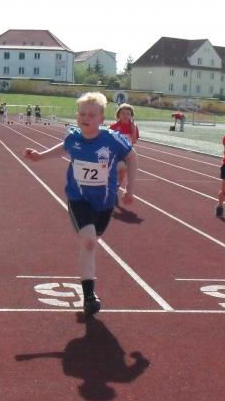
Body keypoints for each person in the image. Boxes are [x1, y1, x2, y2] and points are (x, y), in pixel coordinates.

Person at [23, 92, 137, 315]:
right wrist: (40, 156)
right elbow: (64, 148)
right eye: (82, 114)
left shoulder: (112, 140)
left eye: (91, 115)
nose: (86, 118)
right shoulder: (73, 138)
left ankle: (88, 289)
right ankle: (89, 296)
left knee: (94, 239)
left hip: (105, 202)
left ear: (102, 118)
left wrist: (130, 189)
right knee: (89, 242)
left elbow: (132, 157)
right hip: (79, 198)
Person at [109, 103, 140, 197]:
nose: (125, 116)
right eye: (123, 113)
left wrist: (133, 129)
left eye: (128, 114)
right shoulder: (114, 126)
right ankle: (111, 189)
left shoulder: (133, 126)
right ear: (119, 114)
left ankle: (115, 189)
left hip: (127, 154)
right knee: (117, 170)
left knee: (121, 173)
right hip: (115, 153)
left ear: (131, 116)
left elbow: (134, 141)